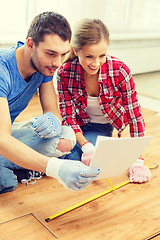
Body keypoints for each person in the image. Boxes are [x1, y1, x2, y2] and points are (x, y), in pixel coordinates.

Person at [0, 12, 100, 194]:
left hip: (4, 132)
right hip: (2, 137)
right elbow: (2, 139)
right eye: (51, 54)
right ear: (31, 44)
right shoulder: (2, 69)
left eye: (63, 54)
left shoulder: (44, 66)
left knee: (66, 136)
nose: (57, 63)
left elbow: (53, 110)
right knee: (5, 183)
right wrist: (57, 169)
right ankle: (18, 167)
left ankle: (20, 163)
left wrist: (53, 120)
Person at [57, 18, 151, 183]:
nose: (96, 63)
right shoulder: (64, 73)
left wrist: (138, 160)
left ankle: (105, 148)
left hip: (100, 128)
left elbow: (134, 115)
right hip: (74, 127)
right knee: (60, 156)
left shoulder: (120, 71)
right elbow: (68, 117)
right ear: (76, 51)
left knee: (77, 162)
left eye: (102, 55)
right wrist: (86, 146)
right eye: (89, 56)